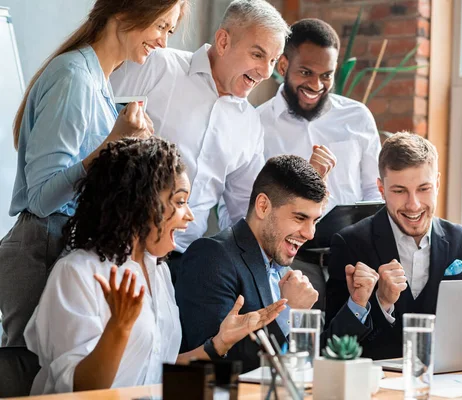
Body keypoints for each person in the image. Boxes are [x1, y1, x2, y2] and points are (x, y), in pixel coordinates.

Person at [24, 137, 286, 394]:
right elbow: (81, 389)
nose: (190, 216)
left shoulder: (157, 270)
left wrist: (219, 343)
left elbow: (158, 374)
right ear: (141, 201)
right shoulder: (77, 273)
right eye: (180, 201)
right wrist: (119, 328)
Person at [0, 0, 189, 347]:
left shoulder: (99, 82)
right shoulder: (73, 77)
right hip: (43, 246)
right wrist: (112, 143)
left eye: (169, 31)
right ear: (125, 11)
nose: (164, 42)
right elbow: (42, 199)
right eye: (161, 26)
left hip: (61, 243)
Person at [111, 0, 316, 283]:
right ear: (222, 41)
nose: (266, 72)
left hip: (184, 265)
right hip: (117, 246)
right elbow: (95, 130)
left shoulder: (249, 124)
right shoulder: (157, 66)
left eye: (272, 60)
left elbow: (242, 212)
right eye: (258, 54)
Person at [325, 132, 462, 360]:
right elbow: (333, 346)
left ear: (438, 183)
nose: (413, 205)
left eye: (424, 189)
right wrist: (380, 302)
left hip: (451, 384)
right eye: (399, 191)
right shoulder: (350, 243)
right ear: (381, 190)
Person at [176, 155, 376, 371]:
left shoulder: (282, 266)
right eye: (300, 218)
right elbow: (213, 363)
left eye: (315, 221)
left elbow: (312, 357)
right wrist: (288, 311)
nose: (310, 234)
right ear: (263, 206)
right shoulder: (211, 257)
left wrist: (357, 303)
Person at [257, 19, 382, 308]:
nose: (316, 85)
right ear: (283, 66)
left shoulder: (357, 117)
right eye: (306, 73)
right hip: (291, 267)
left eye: (326, 75)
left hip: (354, 264)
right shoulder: (257, 125)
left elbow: (375, 191)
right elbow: (252, 208)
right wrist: (309, 179)